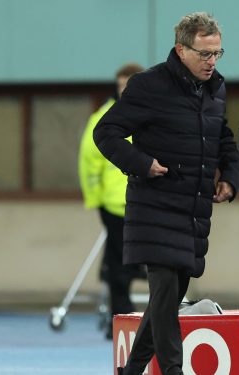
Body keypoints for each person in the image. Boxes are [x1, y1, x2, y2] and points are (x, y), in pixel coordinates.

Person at [93, 13, 239, 375]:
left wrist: (231, 178)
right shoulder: (148, 86)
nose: (212, 62)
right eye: (205, 54)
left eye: (218, 54)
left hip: (193, 211)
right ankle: (173, 370)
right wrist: (141, 163)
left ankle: (132, 371)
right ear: (181, 49)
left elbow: (222, 137)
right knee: (163, 294)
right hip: (153, 208)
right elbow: (106, 132)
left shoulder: (214, 88)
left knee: (168, 298)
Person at [78, 62, 144, 339]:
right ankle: (121, 319)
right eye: (119, 86)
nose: (123, 91)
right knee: (119, 263)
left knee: (143, 260)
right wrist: (96, 200)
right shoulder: (103, 118)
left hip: (144, 202)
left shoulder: (151, 114)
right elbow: (88, 163)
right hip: (114, 205)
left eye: (127, 86)